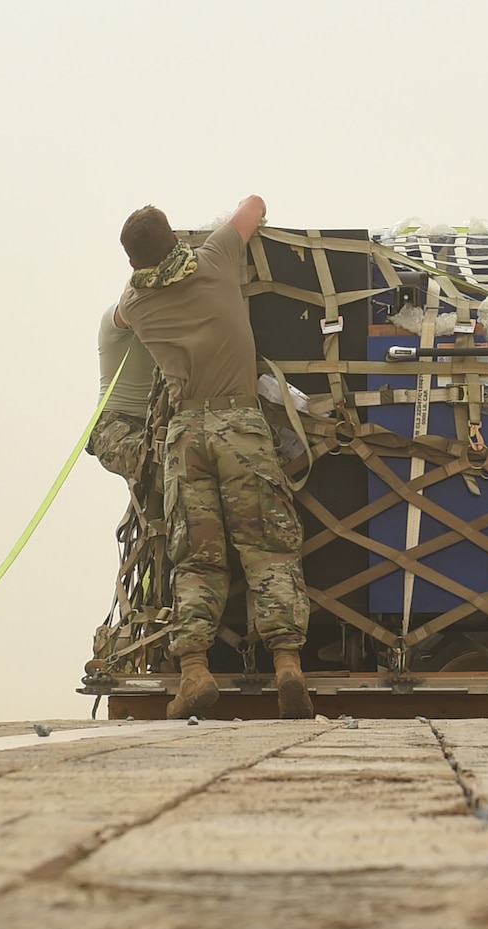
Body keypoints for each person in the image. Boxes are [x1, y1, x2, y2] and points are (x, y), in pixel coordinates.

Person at [116, 195, 311, 721]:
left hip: (185, 437)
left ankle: (195, 672)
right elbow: (255, 205)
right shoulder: (218, 256)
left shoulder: (136, 305)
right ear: (177, 241)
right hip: (240, 428)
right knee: (268, 549)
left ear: (135, 264)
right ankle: (288, 665)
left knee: (197, 559)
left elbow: (115, 317)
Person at [88, 301, 161, 483]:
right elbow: (130, 301)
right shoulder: (115, 320)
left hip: (158, 426)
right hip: (116, 426)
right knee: (171, 463)